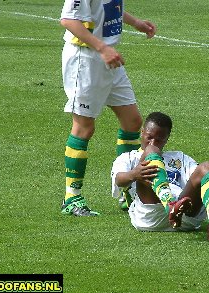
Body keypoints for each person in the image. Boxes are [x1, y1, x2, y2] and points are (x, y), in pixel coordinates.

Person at [60, 0, 157, 216]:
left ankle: (126, 189)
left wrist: (136, 23)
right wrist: (102, 48)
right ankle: (71, 197)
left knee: (132, 121)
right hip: (84, 60)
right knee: (84, 127)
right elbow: (68, 20)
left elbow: (111, 7)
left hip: (108, 58)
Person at [111, 112, 209, 242]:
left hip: (185, 216)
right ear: (142, 132)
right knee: (151, 151)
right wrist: (134, 174)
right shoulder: (128, 157)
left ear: (167, 138)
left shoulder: (179, 157)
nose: (153, 142)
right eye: (149, 137)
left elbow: (199, 177)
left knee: (207, 166)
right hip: (150, 215)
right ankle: (170, 205)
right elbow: (119, 180)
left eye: (159, 139)